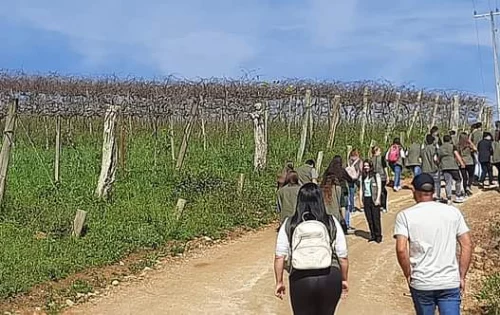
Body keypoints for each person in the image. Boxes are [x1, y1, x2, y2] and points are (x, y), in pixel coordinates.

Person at [394, 173, 473, 315]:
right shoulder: (453, 212)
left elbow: (401, 249)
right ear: (433, 191)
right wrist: (461, 276)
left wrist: (408, 273)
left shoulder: (405, 215)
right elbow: (467, 245)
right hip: (449, 281)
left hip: (422, 281)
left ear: (414, 191)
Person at [274, 183, 349, 315]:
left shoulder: (290, 223)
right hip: (330, 275)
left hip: (301, 278)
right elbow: (342, 256)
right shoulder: (331, 221)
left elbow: (280, 256)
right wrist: (343, 279)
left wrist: (279, 282)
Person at [320, 155, 353, 231]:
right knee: (344, 206)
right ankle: (345, 223)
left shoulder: (328, 170)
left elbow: (323, 179)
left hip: (327, 189)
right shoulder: (341, 170)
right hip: (341, 190)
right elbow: (349, 179)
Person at [359, 160, 383, 243]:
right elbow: (361, 189)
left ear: (371, 166)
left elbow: (379, 188)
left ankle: (378, 235)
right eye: (365, 166)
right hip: (366, 198)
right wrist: (360, 200)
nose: (366, 167)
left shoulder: (376, 175)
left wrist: (378, 199)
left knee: (376, 218)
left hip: (374, 198)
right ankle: (372, 235)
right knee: (369, 218)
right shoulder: (363, 176)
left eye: (367, 166)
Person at [438, 135, 466, 204]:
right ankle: (458, 196)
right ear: (450, 140)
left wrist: (439, 164)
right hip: (453, 166)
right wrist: (462, 163)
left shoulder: (440, 148)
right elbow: (456, 155)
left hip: (444, 167)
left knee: (448, 182)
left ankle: (449, 198)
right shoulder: (452, 146)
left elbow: (437, 159)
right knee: (458, 180)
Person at [420, 134, 441, 200]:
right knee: (436, 182)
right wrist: (438, 164)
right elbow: (435, 159)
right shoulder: (434, 149)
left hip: (424, 169)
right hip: (433, 169)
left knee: (426, 184)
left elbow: (420, 160)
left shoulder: (423, 150)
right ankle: (436, 195)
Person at [371, 146, 388, 212]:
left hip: (374, 177)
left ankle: (378, 204)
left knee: (377, 190)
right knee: (383, 191)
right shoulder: (382, 158)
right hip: (382, 176)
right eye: (379, 151)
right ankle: (383, 206)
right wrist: (387, 176)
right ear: (376, 151)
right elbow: (385, 167)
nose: (380, 152)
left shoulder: (371, 159)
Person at [346, 149, 362, 218]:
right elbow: (361, 169)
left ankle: (350, 207)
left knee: (350, 193)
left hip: (349, 179)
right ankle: (357, 206)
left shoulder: (348, 161)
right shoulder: (359, 161)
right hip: (357, 178)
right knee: (359, 191)